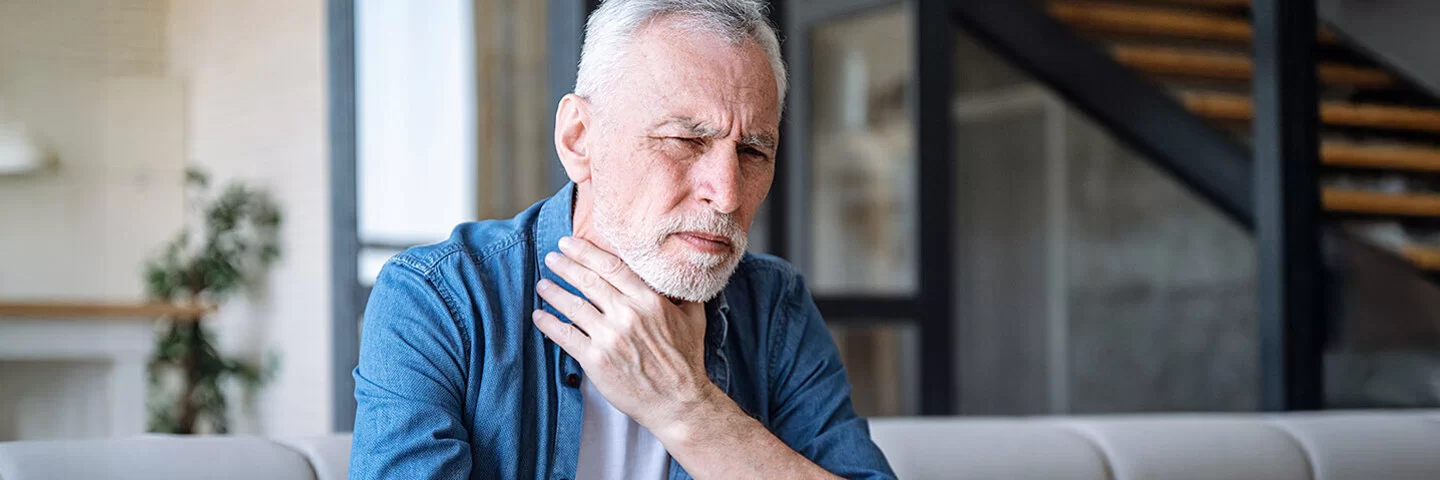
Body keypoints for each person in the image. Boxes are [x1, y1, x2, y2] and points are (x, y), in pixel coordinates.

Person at [349, 0, 896, 478]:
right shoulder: (440, 300)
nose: (727, 195)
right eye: (685, 139)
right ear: (579, 139)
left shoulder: (775, 306)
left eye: (753, 152)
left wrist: (688, 407)